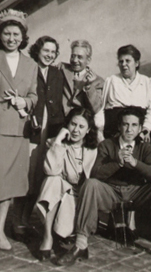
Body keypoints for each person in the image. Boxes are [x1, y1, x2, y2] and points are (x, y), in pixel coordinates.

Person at [57, 106, 151, 268]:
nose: (129, 129)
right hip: (111, 192)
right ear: (119, 127)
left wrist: (136, 164)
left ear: (140, 128)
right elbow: (96, 173)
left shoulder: (145, 148)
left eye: (134, 125)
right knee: (90, 184)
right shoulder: (107, 145)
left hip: (137, 193)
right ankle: (80, 244)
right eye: (125, 124)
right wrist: (117, 163)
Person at [36, 108, 98, 261]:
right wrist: (58, 142)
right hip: (59, 192)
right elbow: (50, 170)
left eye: (81, 127)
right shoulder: (55, 142)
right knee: (52, 180)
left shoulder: (93, 149)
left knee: (65, 226)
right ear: (67, 124)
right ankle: (47, 237)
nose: (76, 130)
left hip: (78, 199)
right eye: (73, 124)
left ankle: (71, 235)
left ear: (88, 129)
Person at [16, 36, 65, 228]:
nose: (49, 55)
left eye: (53, 52)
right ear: (37, 51)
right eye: (46, 51)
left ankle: (27, 220)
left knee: (40, 178)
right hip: (31, 129)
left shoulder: (57, 72)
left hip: (51, 128)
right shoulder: (27, 68)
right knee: (26, 175)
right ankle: (18, 222)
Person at [0, 9, 38, 250]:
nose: (11, 38)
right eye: (6, 33)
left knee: (10, 184)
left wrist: (25, 102)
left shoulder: (30, 64)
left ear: (23, 37)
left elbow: (34, 95)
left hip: (18, 129)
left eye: (16, 34)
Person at [101, 44, 151, 142]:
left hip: (139, 133)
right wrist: (100, 130)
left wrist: (146, 128)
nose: (123, 64)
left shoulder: (147, 82)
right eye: (121, 61)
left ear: (136, 63)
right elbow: (101, 108)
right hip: (113, 131)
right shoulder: (111, 80)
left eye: (127, 61)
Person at [60, 39, 104, 117]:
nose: (75, 60)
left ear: (88, 60)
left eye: (79, 57)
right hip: (61, 120)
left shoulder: (98, 81)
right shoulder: (62, 69)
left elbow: (96, 108)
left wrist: (89, 86)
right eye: (72, 56)